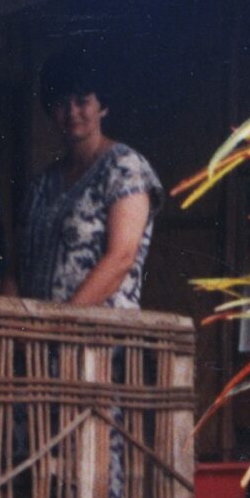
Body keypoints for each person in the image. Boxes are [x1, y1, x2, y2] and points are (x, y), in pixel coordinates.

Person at [17, 53, 162, 309]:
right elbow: (17, 267)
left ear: (102, 106)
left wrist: (62, 323)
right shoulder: (41, 185)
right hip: (38, 341)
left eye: (82, 101)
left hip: (100, 338)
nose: (72, 112)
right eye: (62, 103)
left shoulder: (124, 167)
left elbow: (121, 257)